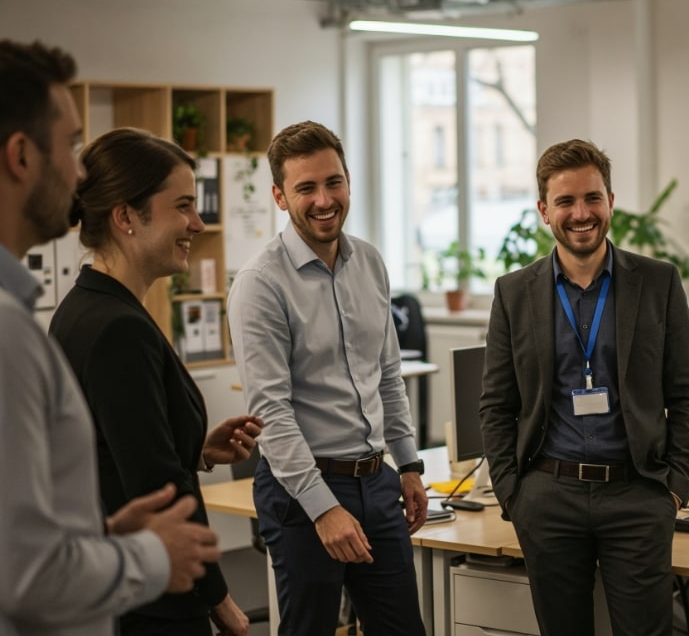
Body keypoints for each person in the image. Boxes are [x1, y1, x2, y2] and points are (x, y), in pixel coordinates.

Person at [0, 39, 222, 635]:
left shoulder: (60, 311)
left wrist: (100, 535)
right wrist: (150, 558)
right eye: (70, 146)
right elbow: (24, 572)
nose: (79, 173)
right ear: (20, 156)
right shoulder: (22, 329)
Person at [480, 138, 689, 636]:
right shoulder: (513, 293)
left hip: (636, 495)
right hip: (548, 496)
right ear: (544, 210)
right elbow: (496, 404)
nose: (581, 213)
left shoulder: (658, 282)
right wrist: (514, 494)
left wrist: (674, 490)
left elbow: (687, 395)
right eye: (565, 201)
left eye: (592, 198)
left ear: (610, 201)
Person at [48, 127, 265, 636]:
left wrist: (195, 450)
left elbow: (112, 450)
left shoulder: (84, 308)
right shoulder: (118, 329)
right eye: (183, 206)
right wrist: (219, 599)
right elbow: (155, 487)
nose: (198, 223)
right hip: (153, 601)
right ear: (126, 216)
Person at [227, 121, 428, 636]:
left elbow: (387, 374)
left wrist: (408, 465)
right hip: (302, 491)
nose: (324, 200)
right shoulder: (260, 284)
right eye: (306, 188)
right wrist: (323, 509)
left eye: (333, 182)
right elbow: (271, 413)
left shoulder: (370, 262)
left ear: (348, 182)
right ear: (279, 196)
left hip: (376, 480)